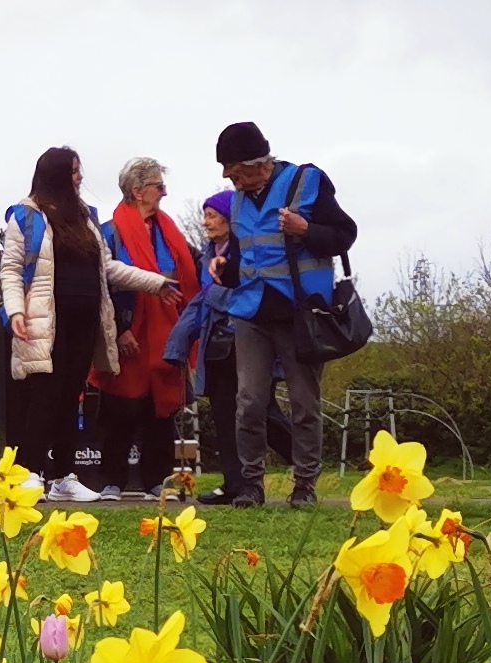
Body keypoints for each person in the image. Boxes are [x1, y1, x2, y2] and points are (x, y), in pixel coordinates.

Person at [0, 147, 179, 503]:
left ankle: (65, 476)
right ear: (55, 174)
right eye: (74, 171)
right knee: (45, 395)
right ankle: (28, 473)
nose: (80, 177)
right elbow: (11, 267)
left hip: (86, 319)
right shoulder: (27, 216)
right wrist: (15, 310)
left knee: (71, 397)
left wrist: (153, 282)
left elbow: (107, 268)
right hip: (46, 319)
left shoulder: (86, 218)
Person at [209, 122, 357, 508]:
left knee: (305, 403)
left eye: (232, 167)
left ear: (256, 163)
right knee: (249, 401)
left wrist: (306, 228)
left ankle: (304, 486)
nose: (228, 175)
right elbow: (246, 251)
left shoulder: (308, 182)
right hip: (251, 310)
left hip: (300, 312)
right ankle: (251, 486)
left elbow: (344, 234)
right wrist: (224, 265)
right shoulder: (239, 198)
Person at [164, 190, 293, 505]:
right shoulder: (210, 253)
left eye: (212, 215)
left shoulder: (244, 251)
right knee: (224, 414)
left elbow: (241, 294)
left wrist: (213, 295)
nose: (206, 222)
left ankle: (303, 460)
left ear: (229, 217)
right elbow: (204, 301)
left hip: (249, 341)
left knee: (259, 411)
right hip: (217, 345)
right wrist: (179, 342)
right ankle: (235, 484)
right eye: (204, 215)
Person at [89, 158, 199, 502]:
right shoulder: (110, 232)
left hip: (167, 331)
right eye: (158, 186)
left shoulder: (170, 231)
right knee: (120, 407)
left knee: (161, 407)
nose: (163, 193)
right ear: (138, 191)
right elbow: (103, 285)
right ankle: (112, 480)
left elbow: (189, 270)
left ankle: (156, 478)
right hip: (130, 330)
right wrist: (120, 330)